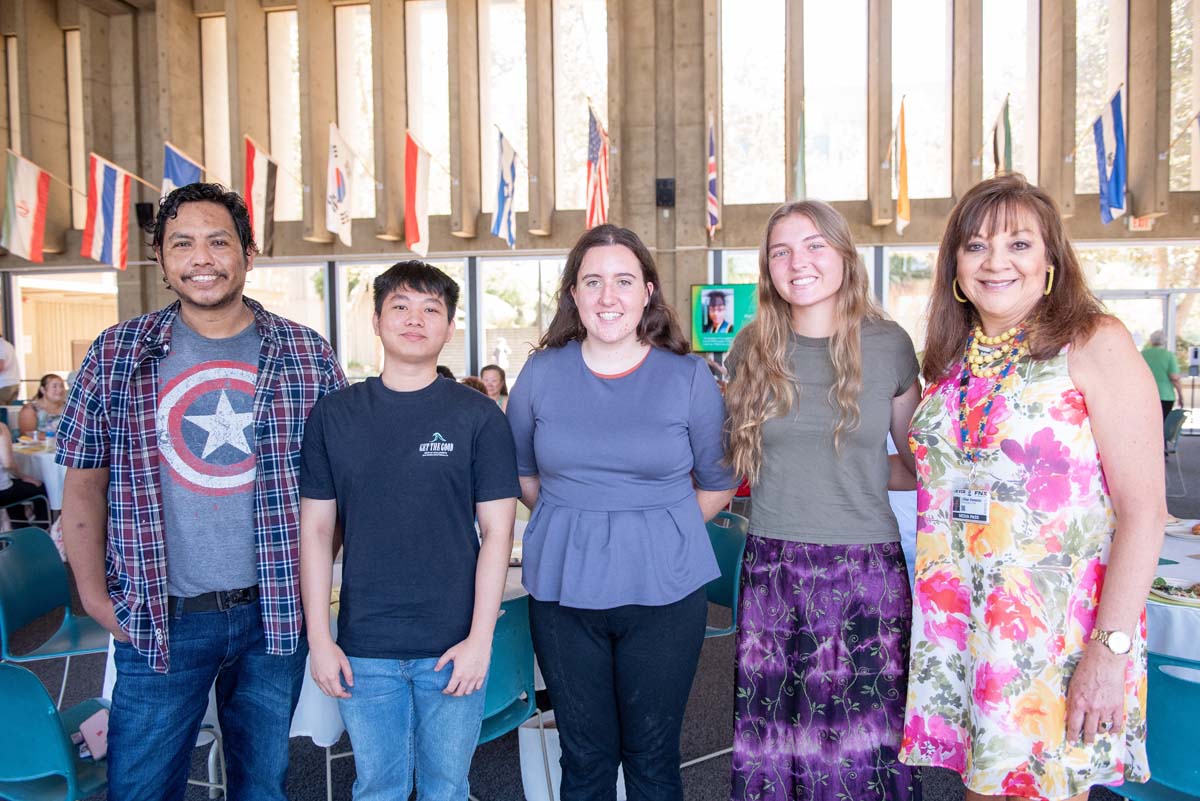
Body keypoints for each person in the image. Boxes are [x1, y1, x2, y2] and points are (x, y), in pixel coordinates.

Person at [56, 183, 347, 801]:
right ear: (161, 260)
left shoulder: (305, 354)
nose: (203, 258)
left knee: (262, 784)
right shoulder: (115, 354)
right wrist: (92, 596)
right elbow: (82, 486)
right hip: (161, 616)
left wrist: (310, 582)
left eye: (219, 241)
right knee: (140, 786)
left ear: (248, 251)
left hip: (275, 615)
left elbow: (337, 483)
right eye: (182, 243)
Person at [899, 174, 1163, 801]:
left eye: (1019, 244)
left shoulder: (1093, 342)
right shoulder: (953, 359)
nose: (995, 261)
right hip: (966, 626)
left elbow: (1145, 512)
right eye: (976, 245)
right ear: (955, 266)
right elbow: (942, 474)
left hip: (1055, 635)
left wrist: (1110, 651)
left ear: (1050, 261)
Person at [506, 224, 738, 801]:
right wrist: (576, 518)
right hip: (563, 593)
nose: (608, 297)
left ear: (648, 293)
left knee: (652, 758)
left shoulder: (688, 378)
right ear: (575, 295)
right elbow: (522, 474)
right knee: (584, 758)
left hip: (665, 594)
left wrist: (654, 524)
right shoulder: (540, 373)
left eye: (624, 281)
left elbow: (717, 483)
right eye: (593, 282)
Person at [723, 200, 923, 801]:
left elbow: (916, 466)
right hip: (772, 567)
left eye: (814, 246)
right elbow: (732, 462)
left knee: (863, 739)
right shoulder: (751, 346)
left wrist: (852, 471)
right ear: (767, 267)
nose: (797, 262)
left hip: (865, 570)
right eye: (781, 251)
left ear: (843, 255)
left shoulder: (888, 344)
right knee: (774, 736)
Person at [300, 261, 519, 801]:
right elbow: (316, 531)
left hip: (453, 645)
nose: (414, 319)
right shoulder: (334, 415)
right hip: (364, 647)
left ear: (449, 327)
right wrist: (320, 640)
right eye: (400, 306)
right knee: (378, 788)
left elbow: (497, 533)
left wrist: (480, 641)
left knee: (448, 788)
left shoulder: (479, 417)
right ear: (376, 321)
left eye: (431, 309)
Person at [0, 420, 49, 528]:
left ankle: (20, 528)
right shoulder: (1, 428)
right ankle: (42, 530)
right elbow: (8, 465)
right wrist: (24, 477)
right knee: (39, 487)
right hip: (2, 492)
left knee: (14, 489)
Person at [1141, 330, 1183, 421]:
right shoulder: (1169, 355)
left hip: (1145, 395)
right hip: (1165, 396)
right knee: (1162, 423)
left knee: (1148, 423)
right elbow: (1174, 377)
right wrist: (1180, 396)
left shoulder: (1142, 354)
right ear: (1164, 341)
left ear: (1151, 341)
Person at [18, 373, 67, 438]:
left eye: (62, 386)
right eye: (54, 386)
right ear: (43, 390)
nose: (60, 390)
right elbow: (28, 435)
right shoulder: (30, 409)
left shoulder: (69, 408)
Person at [0, 334, 19, 405]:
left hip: (3, 385)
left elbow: (1, 366)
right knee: (9, 412)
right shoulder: (8, 345)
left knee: (2, 412)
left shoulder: (1, 346)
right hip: (14, 383)